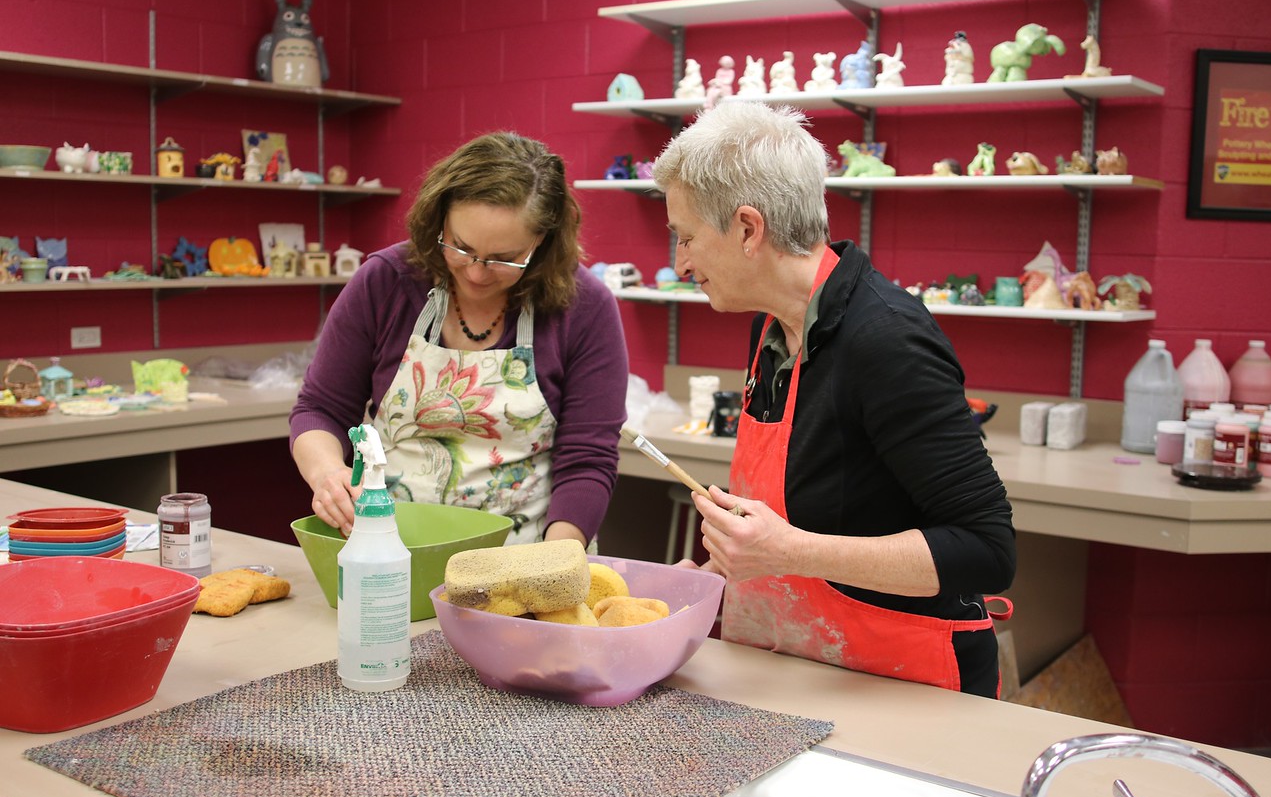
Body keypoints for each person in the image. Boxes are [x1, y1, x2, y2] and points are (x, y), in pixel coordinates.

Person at [651, 102, 1016, 697]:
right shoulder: (772, 325)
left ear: (747, 229)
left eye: (687, 237)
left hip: (902, 684)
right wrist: (714, 573)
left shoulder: (887, 340)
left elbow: (985, 548)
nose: (681, 262)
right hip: (796, 669)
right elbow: (808, 501)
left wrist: (788, 551)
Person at [290, 132, 628, 548]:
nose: (476, 273)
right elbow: (321, 409)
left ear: (542, 241)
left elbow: (587, 460)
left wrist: (556, 562)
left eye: (504, 258)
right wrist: (327, 473)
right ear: (439, 220)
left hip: (526, 560)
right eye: (461, 247)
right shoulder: (386, 282)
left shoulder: (584, 307)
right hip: (390, 549)